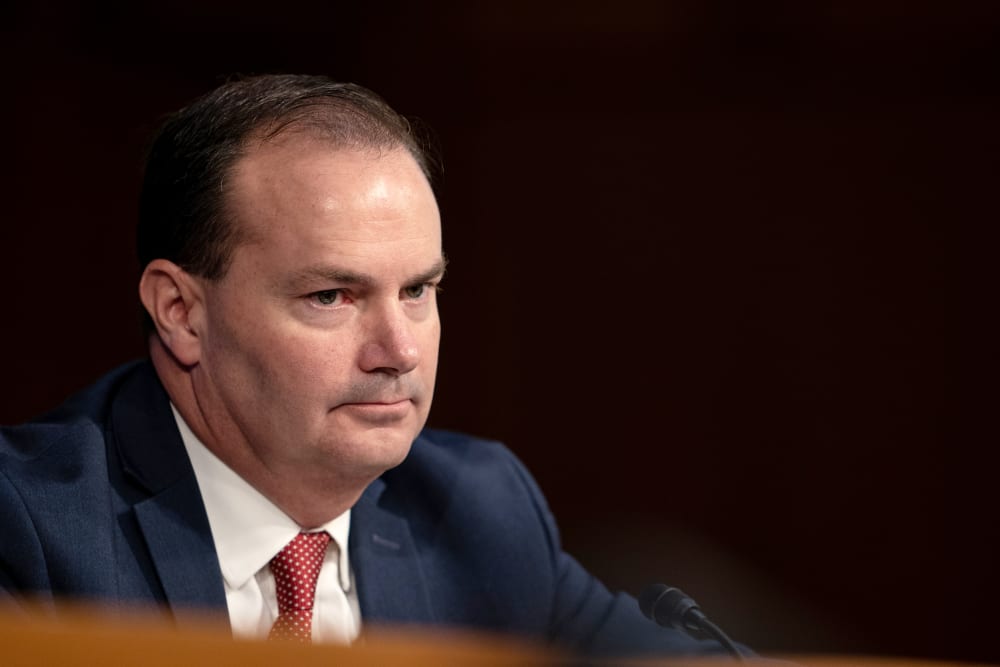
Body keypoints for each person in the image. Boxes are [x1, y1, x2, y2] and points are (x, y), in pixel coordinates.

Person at [0, 74, 744, 658]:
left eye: (418, 289)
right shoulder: (33, 530)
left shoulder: (474, 513)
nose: (401, 350)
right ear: (181, 311)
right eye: (332, 295)